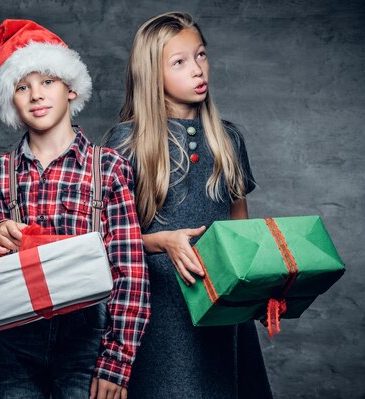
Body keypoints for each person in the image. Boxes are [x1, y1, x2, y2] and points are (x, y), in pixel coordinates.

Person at [0, 19, 150, 399]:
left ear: (70, 88)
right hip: (15, 347)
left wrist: (117, 361)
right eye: (22, 87)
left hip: (88, 345)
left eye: (47, 81)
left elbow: (130, 271)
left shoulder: (108, 167)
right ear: (10, 102)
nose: (36, 95)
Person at [104, 11, 272, 399]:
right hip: (157, 314)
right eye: (179, 62)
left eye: (200, 55)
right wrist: (161, 241)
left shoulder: (228, 138)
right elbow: (104, 241)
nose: (198, 70)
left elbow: (240, 230)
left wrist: (261, 285)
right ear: (152, 74)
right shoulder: (125, 142)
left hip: (222, 313)